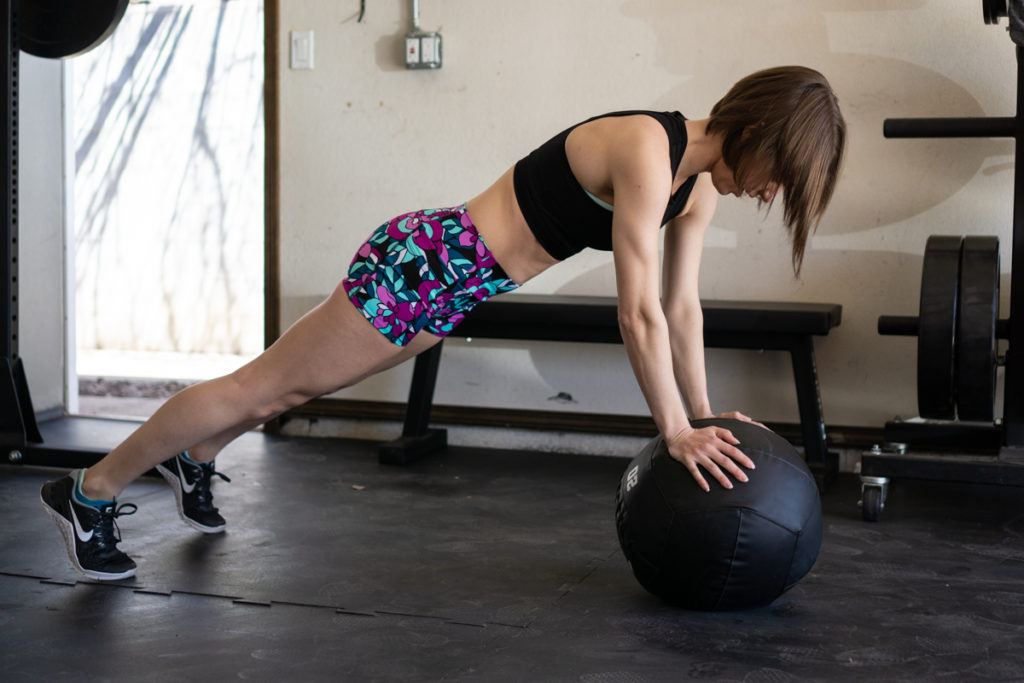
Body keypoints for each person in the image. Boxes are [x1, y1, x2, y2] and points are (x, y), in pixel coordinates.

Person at [40, 66, 846, 580]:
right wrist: (673, 429)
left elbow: (680, 306)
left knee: (277, 393)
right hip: (424, 260)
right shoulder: (647, 147)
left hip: (453, 290)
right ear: (759, 129)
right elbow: (634, 307)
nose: (772, 194)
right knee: (259, 388)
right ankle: (89, 490)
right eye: (783, 175)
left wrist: (701, 415)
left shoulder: (694, 189)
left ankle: (195, 458)